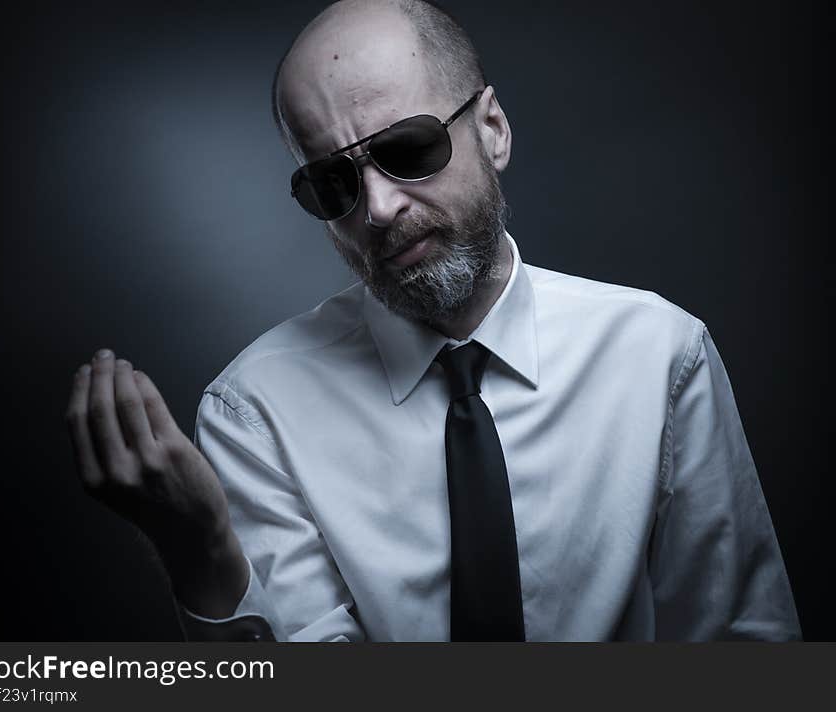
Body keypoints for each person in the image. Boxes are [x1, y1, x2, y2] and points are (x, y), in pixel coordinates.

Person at [65, 0, 802, 641]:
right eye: (333, 182)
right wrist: (204, 557)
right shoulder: (255, 414)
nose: (378, 208)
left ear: (494, 130)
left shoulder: (661, 357)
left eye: (408, 148)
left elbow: (739, 650)